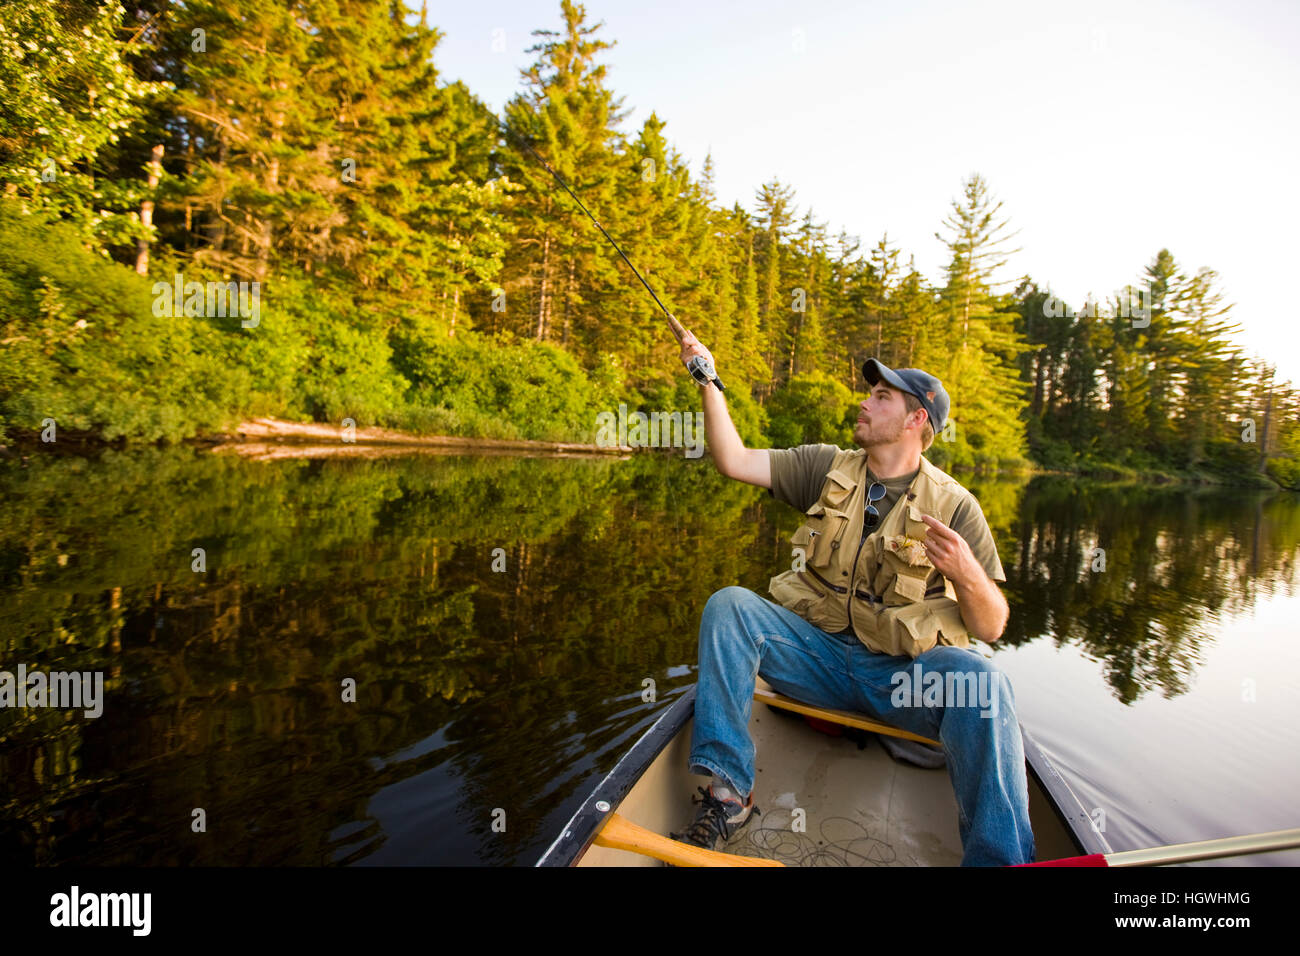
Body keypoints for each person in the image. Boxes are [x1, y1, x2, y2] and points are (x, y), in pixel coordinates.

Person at [670, 330, 1035, 867]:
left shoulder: (958, 507)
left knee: (982, 681)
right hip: (813, 659)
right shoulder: (825, 466)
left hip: (896, 681)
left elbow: (992, 627)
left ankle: (999, 861)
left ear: (916, 422)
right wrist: (707, 378)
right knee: (729, 606)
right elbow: (733, 459)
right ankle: (729, 795)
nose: (864, 402)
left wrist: (966, 574)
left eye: (881, 397)